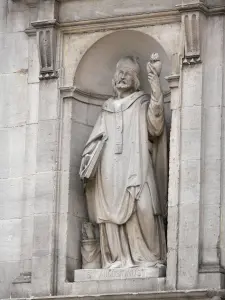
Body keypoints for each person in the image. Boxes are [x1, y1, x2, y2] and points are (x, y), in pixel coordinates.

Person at [80, 56, 167, 269]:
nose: (122, 76)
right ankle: (116, 259)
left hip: (137, 164)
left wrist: (155, 82)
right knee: (109, 213)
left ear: (136, 79)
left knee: (145, 207)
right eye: (119, 71)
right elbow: (94, 140)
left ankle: (149, 258)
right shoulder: (106, 107)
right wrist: (88, 158)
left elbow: (155, 127)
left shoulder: (142, 102)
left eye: (128, 72)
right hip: (109, 168)